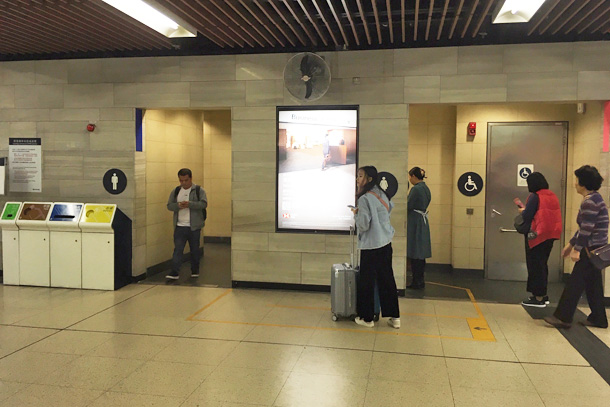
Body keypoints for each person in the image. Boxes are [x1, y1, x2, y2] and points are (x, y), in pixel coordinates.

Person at [544, 165, 609, 329]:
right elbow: (585, 228)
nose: (575, 183)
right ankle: (598, 318)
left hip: (589, 249)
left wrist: (577, 249)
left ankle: (563, 317)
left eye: (577, 180)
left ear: (583, 183)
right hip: (595, 248)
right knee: (593, 284)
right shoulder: (595, 198)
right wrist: (571, 244)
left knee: (575, 284)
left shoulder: (589, 202)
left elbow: (587, 228)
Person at [351, 166, 400, 328]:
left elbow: (364, 225)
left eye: (360, 176)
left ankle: (366, 318)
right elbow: (389, 210)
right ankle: (395, 317)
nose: (357, 180)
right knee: (387, 280)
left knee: (367, 281)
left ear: (369, 179)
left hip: (371, 245)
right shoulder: (382, 194)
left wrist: (356, 213)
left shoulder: (364, 199)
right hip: (386, 242)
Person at [518, 172, 562, 307]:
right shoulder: (552, 195)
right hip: (550, 234)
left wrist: (522, 211)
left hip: (537, 235)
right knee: (542, 264)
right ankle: (543, 294)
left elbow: (527, 215)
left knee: (535, 265)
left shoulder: (535, 197)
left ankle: (538, 298)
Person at [166, 168, 208, 280]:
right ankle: (175, 271)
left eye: (186, 180)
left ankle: (195, 270)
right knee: (178, 249)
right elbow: (169, 205)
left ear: (190, 178)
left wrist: (190, 204)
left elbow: (204, 204)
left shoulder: (199, 190)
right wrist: (178, 206)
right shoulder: (176, 191)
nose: (183, 183)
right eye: (181, 180)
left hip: (194, 226)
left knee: (194, 249)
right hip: (180, 226)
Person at [407, 167, 431, 289]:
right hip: (422, 221)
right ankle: (420, 279)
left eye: (410, 177)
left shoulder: (416, 189)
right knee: (420, 252)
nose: (410, 179)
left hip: (415, 222)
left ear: (414, 177)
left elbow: (408, 205)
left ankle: (416, 281)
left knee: (415, 251)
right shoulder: (426, 188)